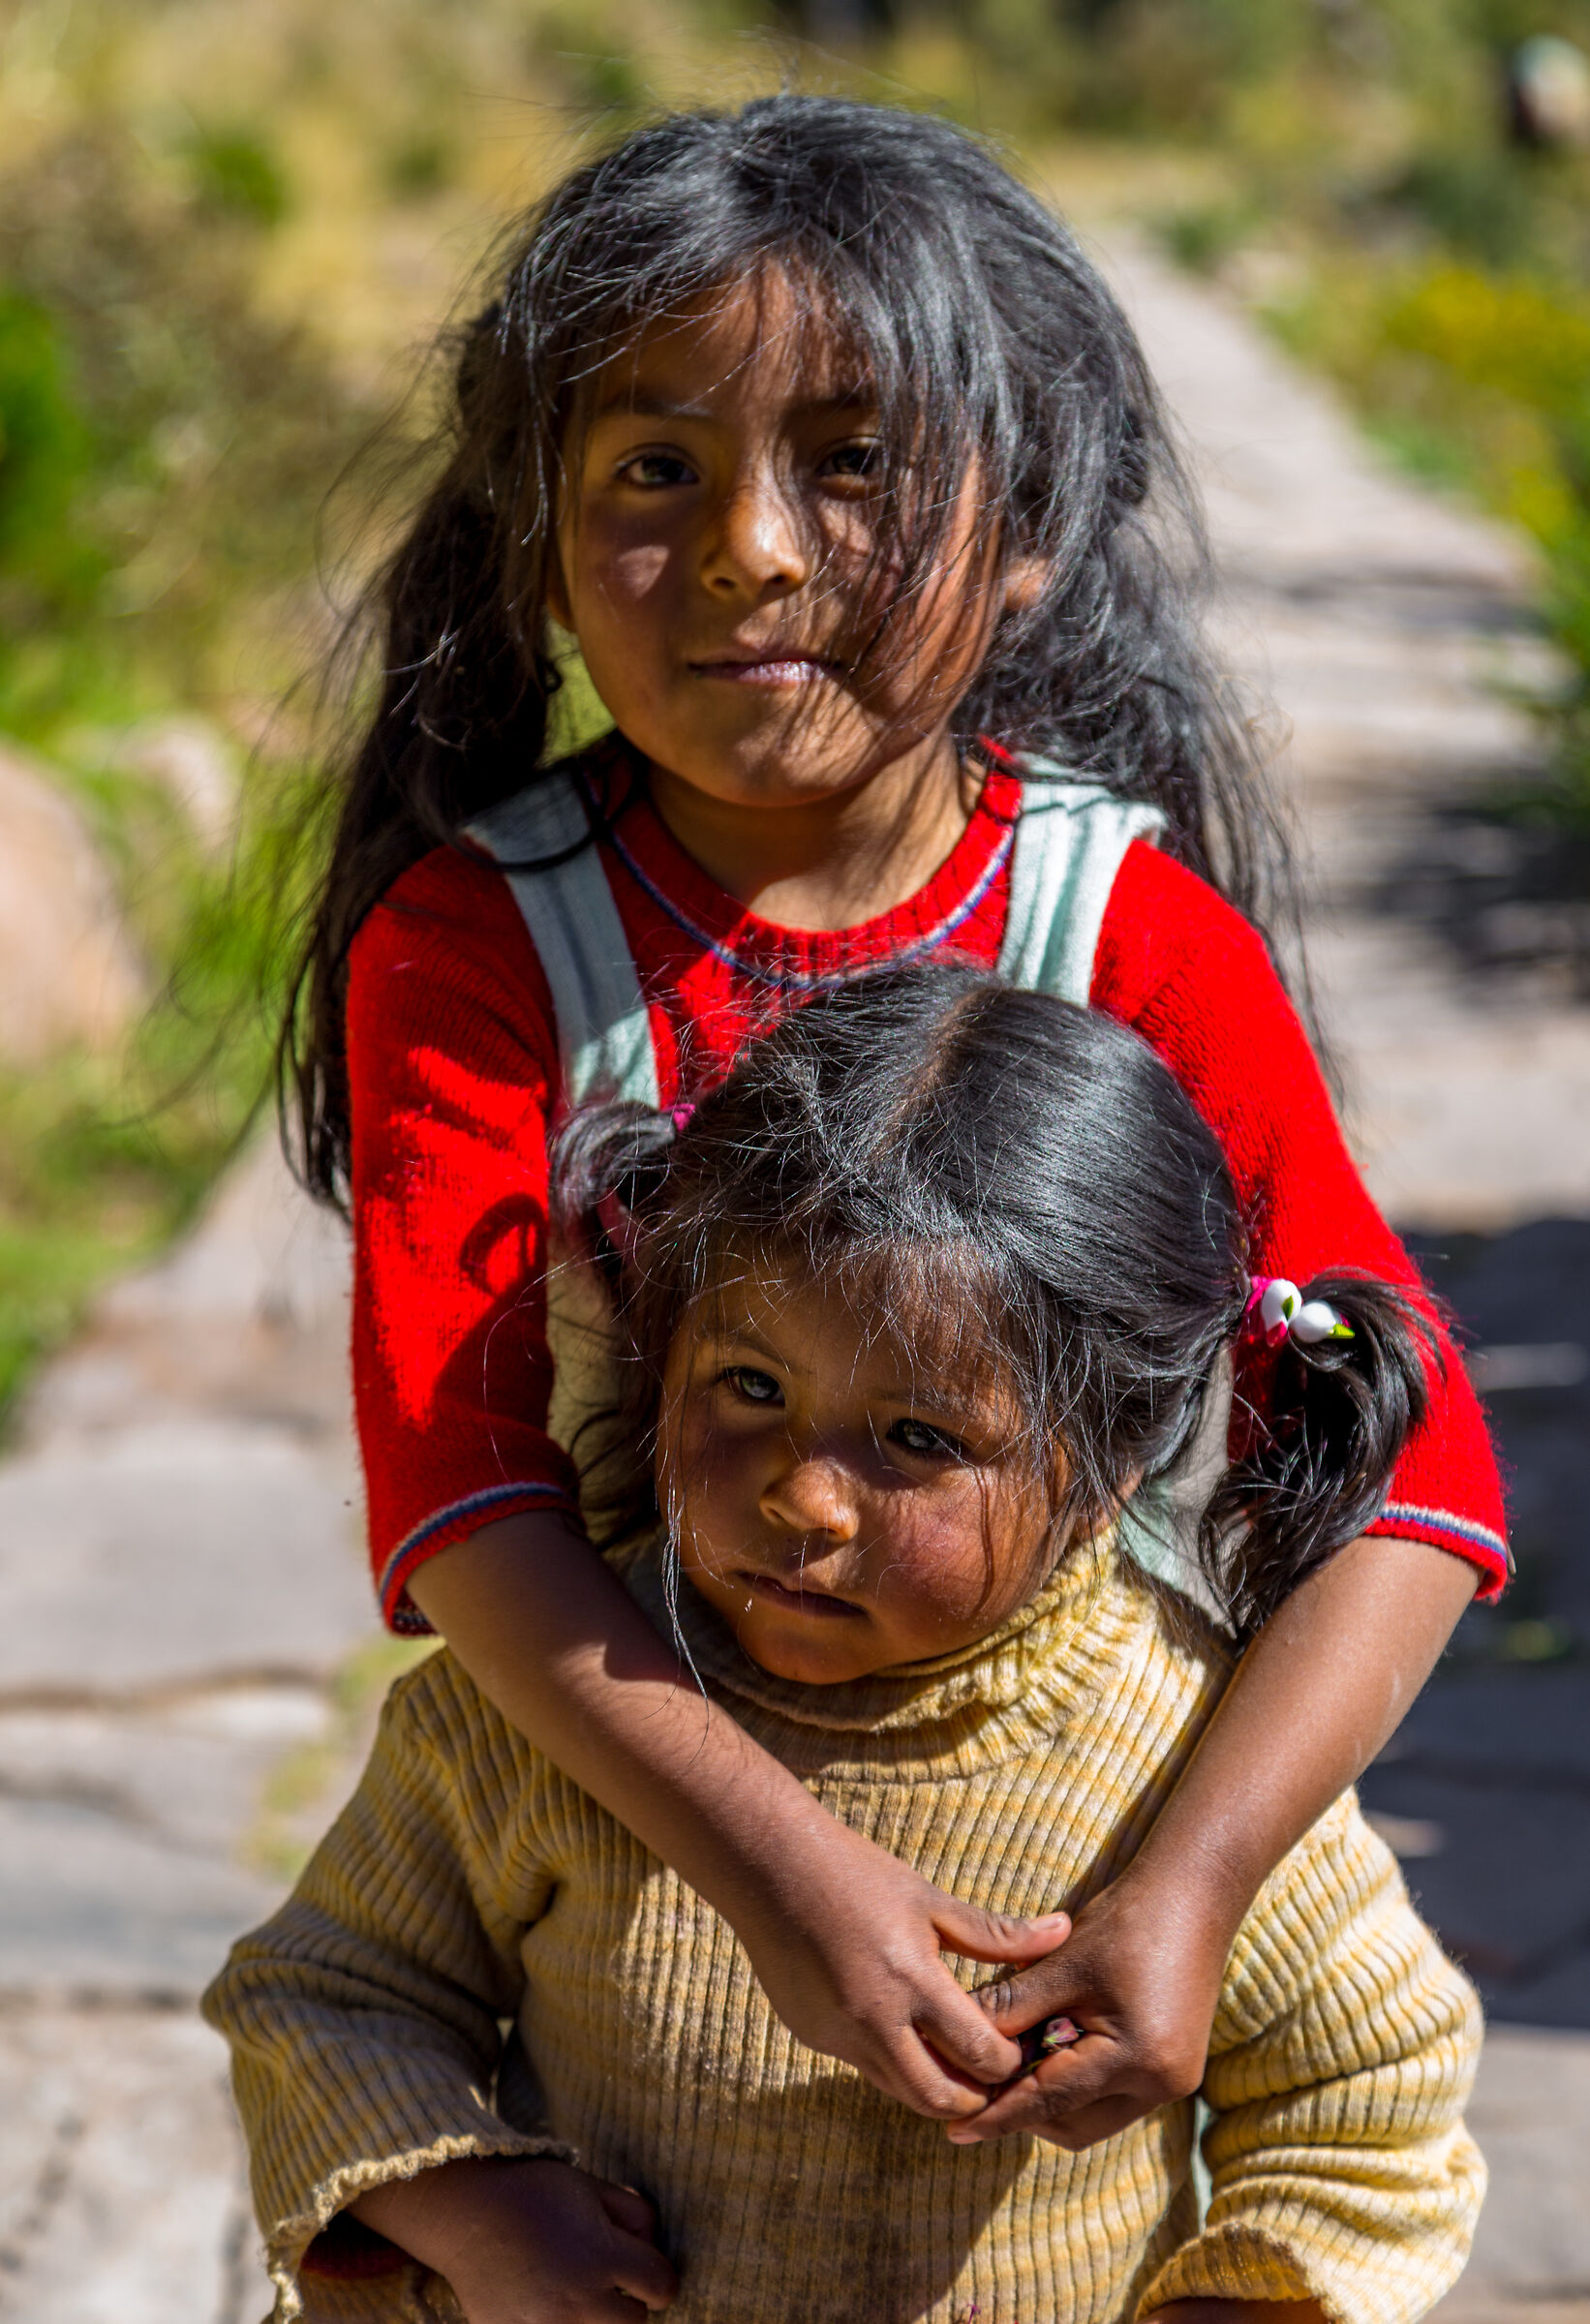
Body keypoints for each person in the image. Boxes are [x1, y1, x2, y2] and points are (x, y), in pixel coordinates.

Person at [282, 92, 1508, 2141]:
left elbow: (1415, 1456)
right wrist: (771, 1872)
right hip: (609, 1880)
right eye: (655, 469)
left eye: (851, 465)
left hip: (1071, 1847)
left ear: (1026, 537)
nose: (752, 549)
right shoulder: (481, 947)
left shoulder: (1123, 930)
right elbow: (461, 1492)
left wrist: (1189, 1883)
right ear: (543, 547)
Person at [209, 971, 1485, 2324]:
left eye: (919, 1441)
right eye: (748, 1387)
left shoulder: (1179, 1752)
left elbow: (1365, 2107)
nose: (801, 1499)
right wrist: (475, 2209)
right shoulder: (531, 1716)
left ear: (1114, 1466)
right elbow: (325, 2000)